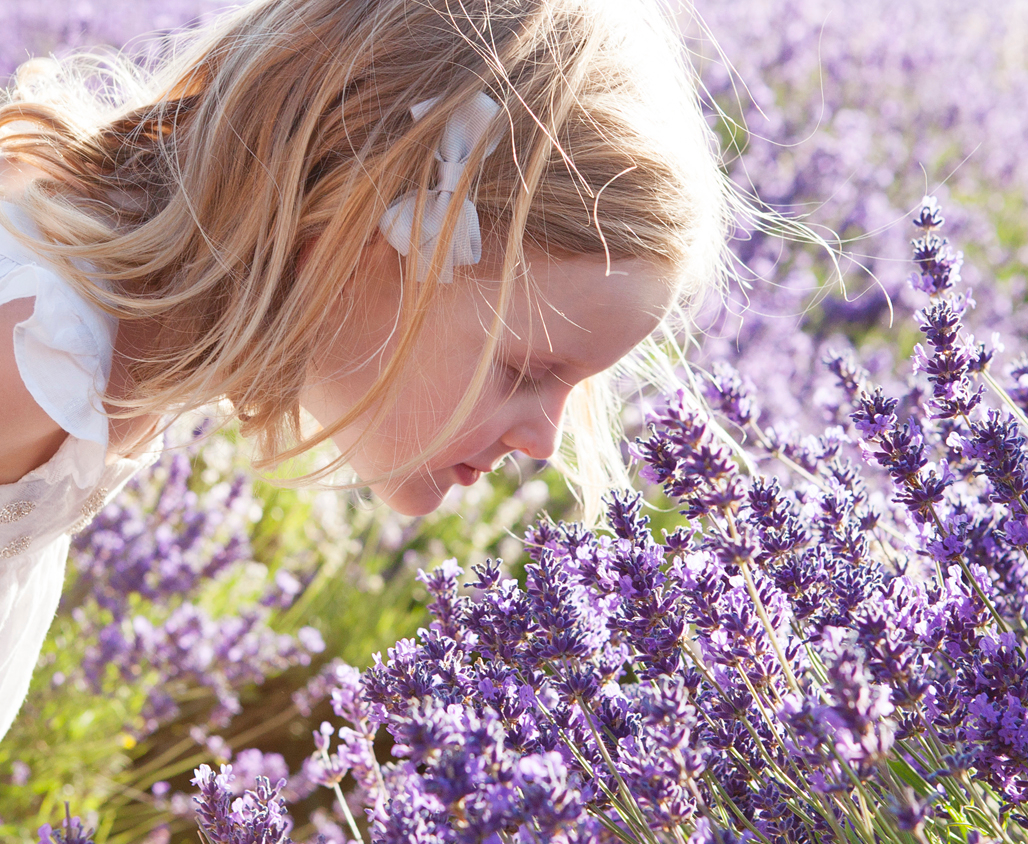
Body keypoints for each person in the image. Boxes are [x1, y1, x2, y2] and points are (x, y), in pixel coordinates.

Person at [0, 0, 739, 742]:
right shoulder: (34, 352)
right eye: (524, 371)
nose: (547, 442)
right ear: (358, 232)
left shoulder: (107, 354)